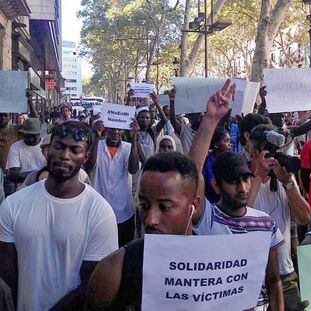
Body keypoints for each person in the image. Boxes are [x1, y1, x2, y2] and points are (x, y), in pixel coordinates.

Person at [0, 121, 118, 310]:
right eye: (59, 146)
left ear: (85, 157)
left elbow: (93, 283)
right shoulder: (13, 205)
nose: (65, 155)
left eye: (75, 150)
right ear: (47, 151)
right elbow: (8, 277)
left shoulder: (100, 213)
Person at [189, 80, 285, 310]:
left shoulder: (265, 224)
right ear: (216, 184)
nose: (242, 188)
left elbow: (273, 280)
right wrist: (211, 120)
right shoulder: (206, 218)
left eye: (245, 179)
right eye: (233, 182)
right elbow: (191, 174)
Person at [84, 152, 201, 310]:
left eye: (165, 207)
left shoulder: (219, 268)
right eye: (144, 205)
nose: (150, 219)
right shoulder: (115, 269)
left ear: (193, 206)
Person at [248, 124, 311, 311]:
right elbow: (240, 219)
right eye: (268, 152)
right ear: (253, 151)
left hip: (285, 275)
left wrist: (288, 183)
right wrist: (258, 175)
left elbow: (304, 218)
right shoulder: (243, 180)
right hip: (254, 276)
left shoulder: (285, 178)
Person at [87, 119, 140, 247]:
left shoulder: (128, 148)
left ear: (123, 131)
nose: (115, 132)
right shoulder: (97, 146)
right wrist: (95, 137)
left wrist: (134, 140)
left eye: (119, 129)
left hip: (124, 213)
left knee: (123, 252)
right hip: (99, 212)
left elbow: (133, 169)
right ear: (106, 128)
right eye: (111, 128)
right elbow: (89, 166)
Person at [20, 134, 91, 188]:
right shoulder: (33, 176)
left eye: (58, 148)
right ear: (42, 152)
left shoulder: (81, 175)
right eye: (47, 149)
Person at [6, 118, 46, 184]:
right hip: (23, 188)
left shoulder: (47, 145)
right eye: (27, 136)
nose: (31, 139)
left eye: (33, 136)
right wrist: (41, 173)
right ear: (22, 134)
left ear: (39, 134)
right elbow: (14, 175)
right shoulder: (15, 147)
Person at [169, 90, 204, 154]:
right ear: (191, 119)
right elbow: (173, 120)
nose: (202, 119)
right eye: (199, 117)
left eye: (203, 116)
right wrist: (172, 101)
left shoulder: (205, 131)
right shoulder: (184, 130)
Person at [202, 127, 232, 203]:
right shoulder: (206, 163)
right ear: (216, 144)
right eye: (226, 141)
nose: (229, 144)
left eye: (229, 141)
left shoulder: (231, 160)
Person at [135, 94, 168, 162]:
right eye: (142, 117)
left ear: (150, 120)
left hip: (151, 165)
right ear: (137, 118)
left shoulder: (153, 131)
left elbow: (164, 120)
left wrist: (156, 103)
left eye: (147, 118)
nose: (144, 120)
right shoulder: (133, 132)